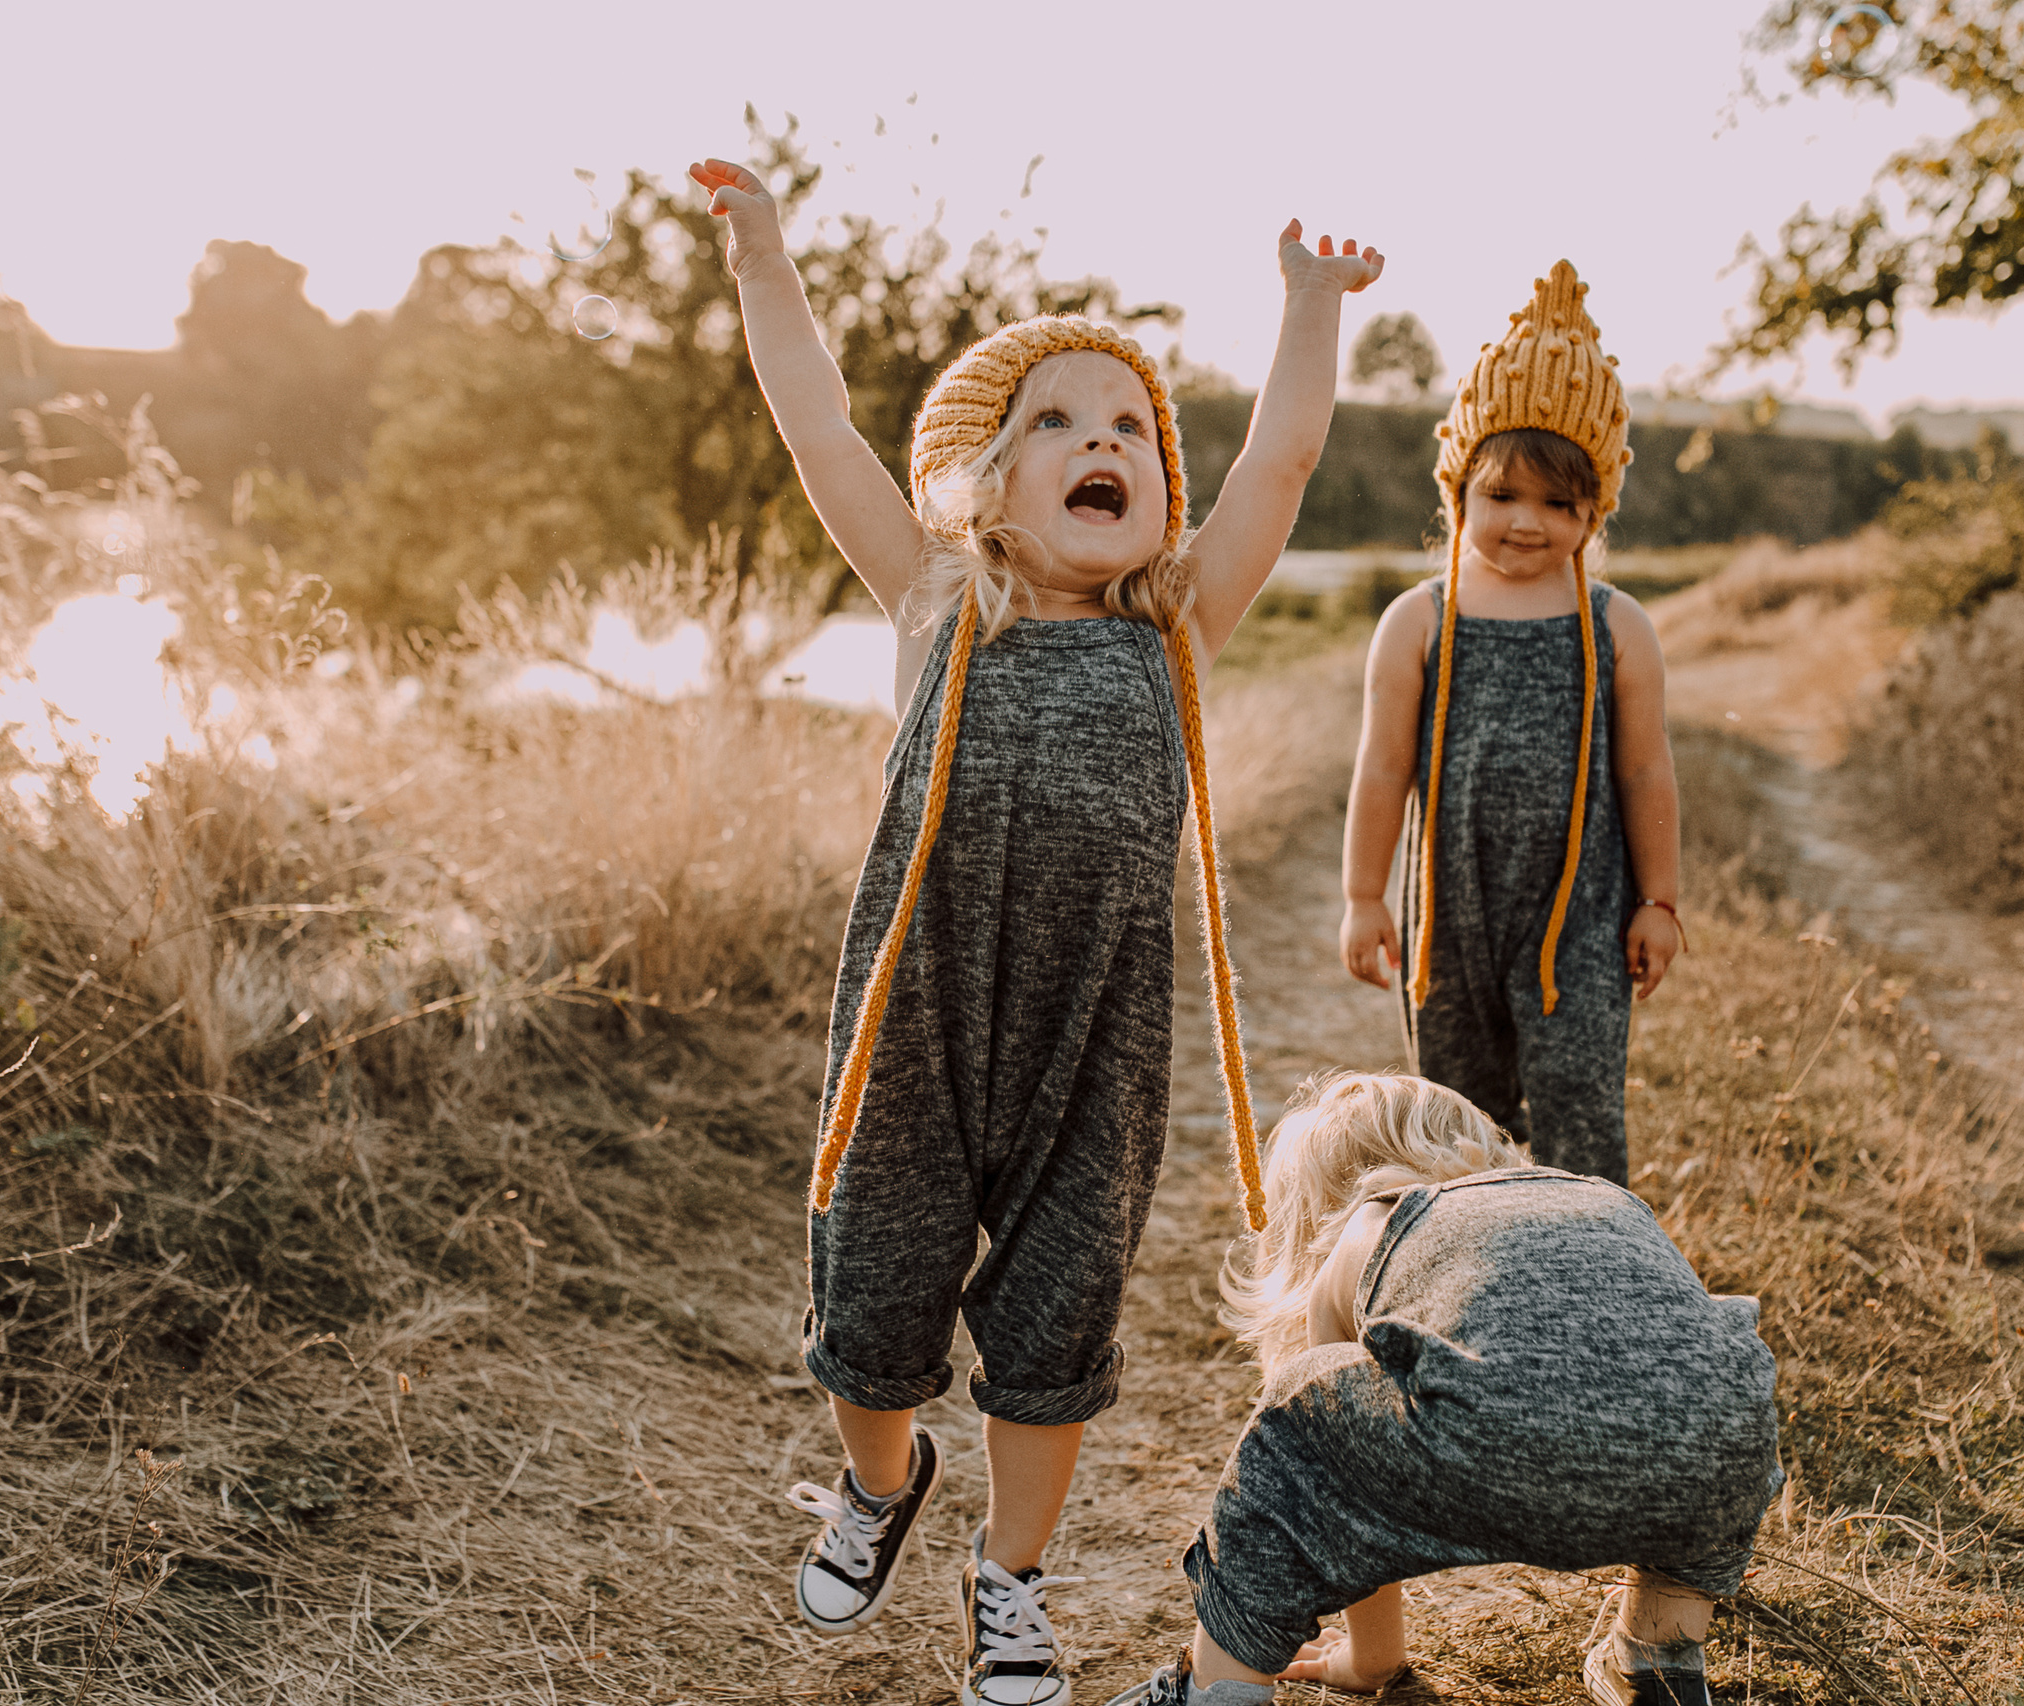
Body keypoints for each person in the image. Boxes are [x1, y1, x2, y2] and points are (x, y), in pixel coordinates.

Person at [685, 154, 1384, 1706]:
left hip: (1096, 1034)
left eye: (1129, 426)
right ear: (978, 481)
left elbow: (1281, 464)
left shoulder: (1178, 621)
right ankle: (881, 1479)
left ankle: (1010, 1584)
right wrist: (763, 267)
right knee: (868, 1300)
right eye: (1058, 423)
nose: (1103, 442)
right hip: (920, 1016)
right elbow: (817, 424)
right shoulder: (939, 597)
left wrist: (1306, 309)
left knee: (1058, 1320)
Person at [1107, 1073, 1781, 1706]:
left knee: (1294, 1421)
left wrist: (1369, 1661)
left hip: (1504, 1439)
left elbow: (1344, 1474)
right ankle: (1657, 1656)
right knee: (1694, 1401)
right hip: (1725, 1444)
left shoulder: (1375, 1220)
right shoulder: (1600, 1196)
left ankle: (1213, 1688)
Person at [1339, 261, 1682, 1187]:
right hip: (1451, 910)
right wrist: (1366, 896)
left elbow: (1647, 774)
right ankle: (1473, 1270)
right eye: (1502, 496)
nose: (1527, 523)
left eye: (1559, 504)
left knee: (1579, 1109)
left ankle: (1598, 1272)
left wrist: (1659, 900)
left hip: (1584, 912)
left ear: (1594, 510)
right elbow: (1381, 769)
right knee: (1457, 1118)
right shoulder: (1419, 620)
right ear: (1458, 492)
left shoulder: (1616, 625)